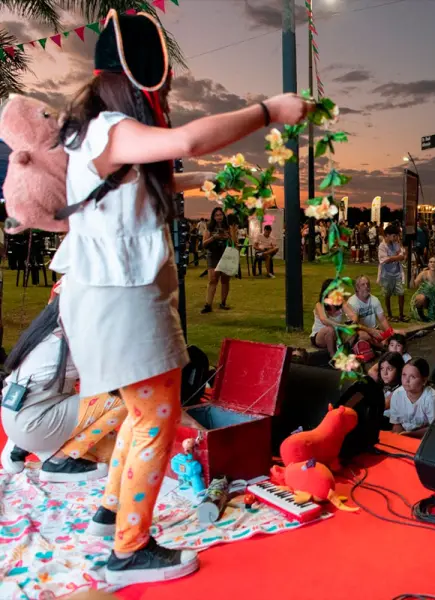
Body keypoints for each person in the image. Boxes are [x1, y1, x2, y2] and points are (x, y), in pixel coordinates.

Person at [50, 9, 315, 583]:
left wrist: (208, 182)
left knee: (140, 410)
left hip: (108, 294)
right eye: (162, 86)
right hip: (121, 297)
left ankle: (111, 515)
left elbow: (148, 178)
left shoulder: (93, 131)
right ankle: (129, 551)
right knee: (158, 415)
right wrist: (269, 111)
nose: (165, 95)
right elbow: (189, 140)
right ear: (136, 80)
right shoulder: (111, 128)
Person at [1, 294, 125, 481]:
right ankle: (59, 461)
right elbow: (114, 380)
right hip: (35, 424)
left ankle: (20, 446)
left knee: (110, 450)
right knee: (123, 399)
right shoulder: (78, 341)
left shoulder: (43, 333)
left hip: (14, 415)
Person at [389, 359, 435, 438]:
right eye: (404, 375)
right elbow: (396, 423)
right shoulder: (397, 394)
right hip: (405, 435)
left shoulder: (432, 399)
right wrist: (397, 437)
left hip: (426, 438)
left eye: (412, 377)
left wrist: (410, 434)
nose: (406, 380)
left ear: (424, 380)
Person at [202, 206, 238, 313]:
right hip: (213, 255)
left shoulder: (228, 227)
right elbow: (204, 244)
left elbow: (234, 243)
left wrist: (229, 235)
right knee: (213, 280)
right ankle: (208, 305)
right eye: (216, 215)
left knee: (225, 280)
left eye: (220, 215)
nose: (219, 217)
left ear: (223, 216)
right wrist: (214, 237)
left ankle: (223, 303)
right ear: (213, 217)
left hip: (226, 254)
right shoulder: (209, 228)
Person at [344, 275, 391, 348]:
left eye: (368, 284)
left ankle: (378, 346)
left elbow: (382, 319)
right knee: (364, 336)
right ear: (357, 288)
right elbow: (355, 326)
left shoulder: (374, 300)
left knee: (391, 333)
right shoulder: (352, 303)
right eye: (363, 284)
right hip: (359, 331)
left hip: (374, 330)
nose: (366, 286)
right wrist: (372, 331)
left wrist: (388, 333)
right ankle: (381, 347)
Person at [311, 278, 351, 355]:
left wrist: (352, 322)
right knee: (330, 329)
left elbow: (353, 315)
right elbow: (324, 320)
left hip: (336, 334)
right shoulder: (319, 305)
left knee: (354, 329)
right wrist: (340, 326)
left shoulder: (342, 303)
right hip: (319, 336)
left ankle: (346, 351)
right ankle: (332, 355)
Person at [378, 225, 407, 322]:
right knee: (387, 294)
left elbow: (402, 255)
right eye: (394, 236)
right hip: (386, 274)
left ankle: (401, 315)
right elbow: (385, 260)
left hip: (397, 273)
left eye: (396, 236)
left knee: (401, 293)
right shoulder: (382, 246)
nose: (396, 238)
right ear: (387, 235)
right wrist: (397, 257)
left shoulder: (395, 244)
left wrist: (395, 257)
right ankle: (389, 315)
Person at [410, 256, 435, 321]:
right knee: (421, 298)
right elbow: (412, 286)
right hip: (422, 296)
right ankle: (421, 315)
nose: (432, 264)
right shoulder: (424, 273)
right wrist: (413, 276)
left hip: (433, 298)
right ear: (428, 264)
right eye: (431, 262)